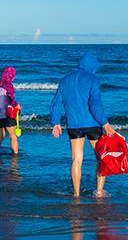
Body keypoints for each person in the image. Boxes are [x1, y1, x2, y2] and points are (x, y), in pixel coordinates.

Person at [49, 54, 115, 196]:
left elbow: (55, 103)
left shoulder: (65, 79)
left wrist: (56, 123)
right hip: (93, 124)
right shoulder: (93, 79)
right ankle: (99, 191)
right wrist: (105, 123)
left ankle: (76, 194)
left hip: (74, 125)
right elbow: (95, 105)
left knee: (76, 160)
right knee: (101, 158)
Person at [0, 66, 19, 154]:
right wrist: (16, 105)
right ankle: (15, 156)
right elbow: (10, 97)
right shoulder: (8, 84)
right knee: (13, 136)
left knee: (0, 136)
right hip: (7, 114)